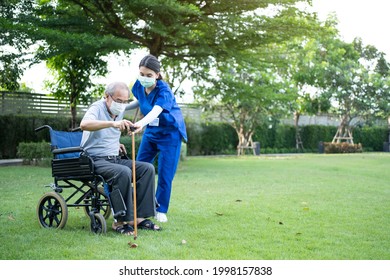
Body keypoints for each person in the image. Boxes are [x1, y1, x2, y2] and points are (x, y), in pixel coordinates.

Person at [80, 81, 161, 235]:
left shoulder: (119, 110)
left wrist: (116, 143)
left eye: (125, 102)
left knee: (147, 169)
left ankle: (138, 218)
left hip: (114, 158)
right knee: (123, 172)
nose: (122, 105)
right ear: (106, 96)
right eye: (119, 101)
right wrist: (113, 124)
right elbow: (84, 124)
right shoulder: (97, 107)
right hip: (94, 159)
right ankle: (120, 222)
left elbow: (106, 135)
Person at [127, 54, 187, 223]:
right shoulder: (139, 85)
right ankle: (137, 204)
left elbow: (156, 110)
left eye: (149, 75)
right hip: (151, 132)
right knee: (140, 168)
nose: (145, 78)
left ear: (158, 75)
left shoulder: (164, 91)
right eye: (142, 74)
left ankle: (161, 209)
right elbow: (140, 102)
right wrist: (121, 109)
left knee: (165, 173)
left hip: (170, 134)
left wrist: (140, 123)